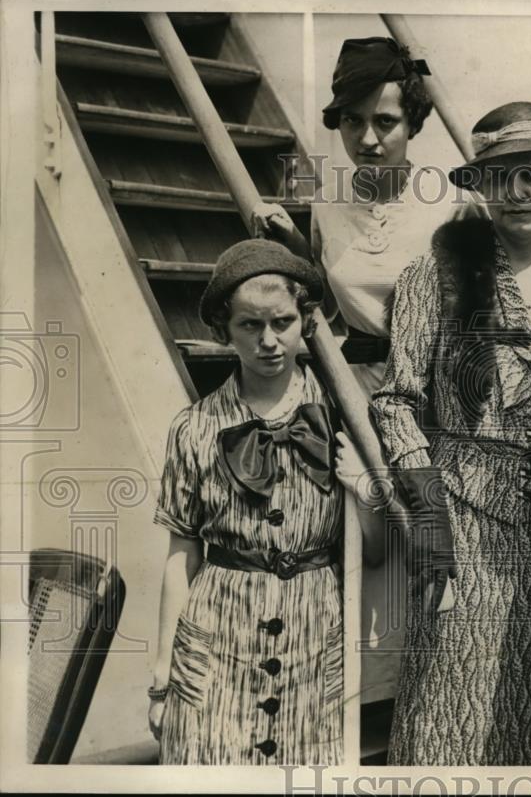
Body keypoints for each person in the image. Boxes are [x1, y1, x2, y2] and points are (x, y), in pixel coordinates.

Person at [370, 101, 531, 765]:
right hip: (462, 525)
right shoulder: (435, 276)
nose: (520, 192)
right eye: (504, 175)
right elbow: (396, 402)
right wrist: (427, 512)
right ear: (482, 185)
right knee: (448, 714)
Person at [252, 36, 477, 732]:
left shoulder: (453, 208)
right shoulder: (328, 206)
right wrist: (289, 241)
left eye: (386, 122)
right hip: (356, 388)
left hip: (433, 391)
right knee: (366, 541)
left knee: (435, 538)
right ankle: (370, 704)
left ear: (413, 123)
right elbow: (325, 294)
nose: (369, 139)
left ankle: (447, 698)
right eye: (353, 122)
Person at [147, 239, 378, 765]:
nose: (269, 340)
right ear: (222, 331)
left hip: (314, 641)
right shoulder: (193, 428)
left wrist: (365, 488)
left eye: (282, 322)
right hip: (218, 638)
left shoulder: (343, 419)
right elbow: (181, 555)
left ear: (306, 323)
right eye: (250, 325)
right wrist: (163, 671)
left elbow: (378, 553)